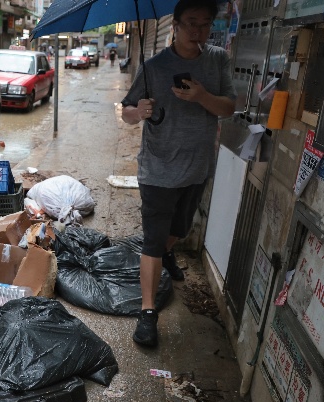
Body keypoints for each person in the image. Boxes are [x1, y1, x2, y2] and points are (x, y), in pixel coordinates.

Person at [120, 0, 235, 348]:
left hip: (197, 166)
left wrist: (201, 96)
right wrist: (137, 111)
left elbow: (229, 107)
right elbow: (125, 111)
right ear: (177, 25)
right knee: (153, 240)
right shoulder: (154, 66)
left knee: (180, 229)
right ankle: (148, 313)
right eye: (191, 23)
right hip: (157, 168)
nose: (197, 31)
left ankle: (168, 252)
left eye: (204, 24)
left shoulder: (217, 60)